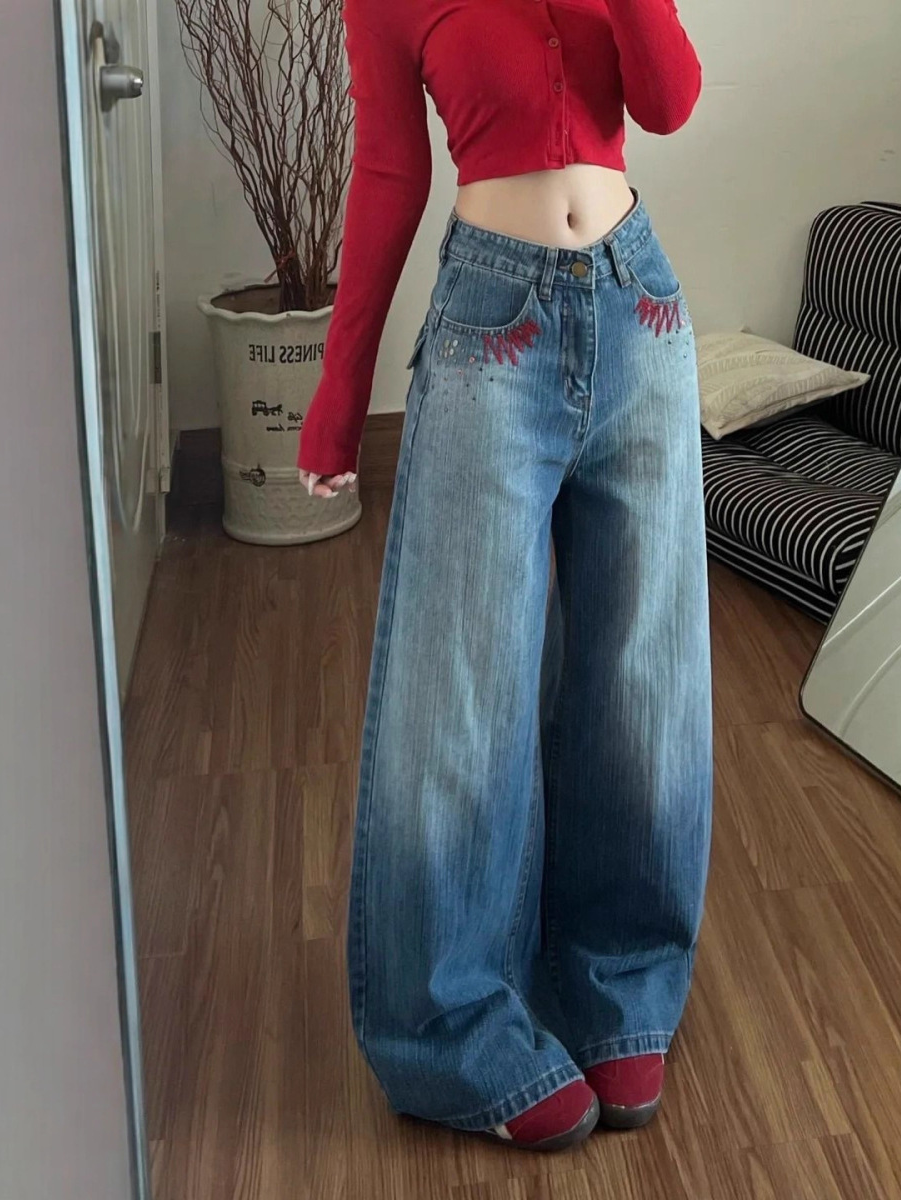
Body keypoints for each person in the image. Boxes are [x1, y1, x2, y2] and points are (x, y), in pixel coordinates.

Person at [297, 0, 713, 1152]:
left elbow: (669, 101)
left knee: (642, 678)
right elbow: (389, 175)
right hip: (494, 325)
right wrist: (338, 397)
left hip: (641, 308)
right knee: (460, 691)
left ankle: (618, 978)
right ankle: (448, 1026)